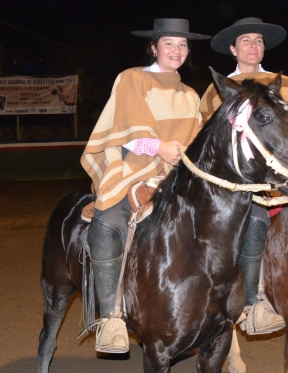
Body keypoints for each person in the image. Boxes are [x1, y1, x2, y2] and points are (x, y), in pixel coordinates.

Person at [80, 18, 210, 354]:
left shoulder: (190, 95)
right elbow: (129, 129)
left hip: (178, 176)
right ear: (154, 47)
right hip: (132, 170)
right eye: (169, 43)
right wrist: (160, 148)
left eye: (182, 45)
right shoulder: (132, 78)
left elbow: (196, 140)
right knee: (108, 222)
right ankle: (111, 318)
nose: (176, 50)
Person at [200, 17, 288, 335]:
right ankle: (253, 303)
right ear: (232, 48)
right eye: (246, 41)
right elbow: (209, 138)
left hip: (285, 173)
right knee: (255, 220)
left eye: (259, 41)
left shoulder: (284, 82)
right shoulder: (219, 89)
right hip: (241, 179)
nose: (254, 46)